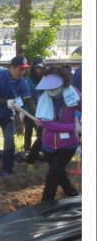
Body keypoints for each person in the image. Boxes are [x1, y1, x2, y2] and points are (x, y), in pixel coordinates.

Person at [34, 67, 81, 201]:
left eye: (53, 88)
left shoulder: (74, 94)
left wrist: (82, 123)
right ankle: (72, 193)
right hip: (48, 144)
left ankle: (45, 203)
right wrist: (73, 127)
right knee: (59, 173)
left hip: (68, 145)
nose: (50, 91)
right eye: (48, 89)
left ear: (63, 84)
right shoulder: (42, 99)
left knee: (52, 175)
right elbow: (48, 124)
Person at [22, 57, 45, 157]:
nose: (38, 70)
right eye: (36, 68)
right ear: (33, 68)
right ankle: (27, 148)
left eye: (40, 68)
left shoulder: (45, 81)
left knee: (40, 131)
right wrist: (22, 111)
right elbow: (23, 97)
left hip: (41, 112)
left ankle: (41, 149)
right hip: (28, 110)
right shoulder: (26, 80)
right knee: (28, 130)